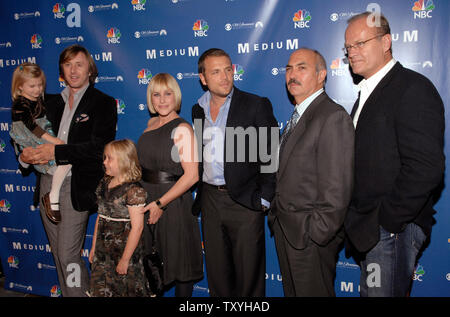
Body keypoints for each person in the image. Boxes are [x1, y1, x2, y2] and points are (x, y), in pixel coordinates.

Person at [343, 12, 445, 297]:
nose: (352, 52)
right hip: (371, 231)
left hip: (390, 232)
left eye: (360, 43)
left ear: (386, 42)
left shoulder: (412, 88)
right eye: (348, 47)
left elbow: (426, 167)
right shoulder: (367, 93)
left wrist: (385, 221)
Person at [20, 44, 118, 297]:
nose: (73, 70)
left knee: (68, 253)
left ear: (90, 70)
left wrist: (56, 152)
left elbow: (98, 148)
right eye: (68, 64)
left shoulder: (103, 103)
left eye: (79, 64)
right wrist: (24, 155)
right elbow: (26, 132)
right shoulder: (48, 101)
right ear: (61, 70)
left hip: (76, 187)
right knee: (58, 254)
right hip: (46, 183)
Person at [267, 48, 354, 296]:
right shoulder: (297, 116)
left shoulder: (332, 116)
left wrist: (315, 234)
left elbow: (337, 188)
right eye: (289, 69)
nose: (292, 75)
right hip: (287, 231)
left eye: (302, 68)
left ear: (321, 75)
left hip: (309, 238)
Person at [192, 48, 278, 297]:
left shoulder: (255, 104)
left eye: (228, 69)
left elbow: (271, 154)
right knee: (218, 278)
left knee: (249, 281)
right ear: (203, 78)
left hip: (245, 202)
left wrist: (263, 199)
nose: (225, 76)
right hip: (210, 200)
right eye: (216, 71)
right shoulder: (197, 110)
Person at [137, 73, 203, 297]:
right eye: (156, 94)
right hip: (148, 201)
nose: (162, 100)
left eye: (168, 94)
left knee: (179, 264)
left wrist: (160, 203)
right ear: (150, 98)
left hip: (172, 203)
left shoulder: (182, 128)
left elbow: (192, 175)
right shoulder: (150, 123)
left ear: (176, 97)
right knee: (153, 265)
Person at [9, 62, 71, 223]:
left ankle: (52, 195)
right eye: (32, 86)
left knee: (67, 161)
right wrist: (55, 141)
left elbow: (60, 99)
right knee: (61, 161)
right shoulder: (20, 105)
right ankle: (53, 196)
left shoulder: (41, 99)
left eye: (40, 85)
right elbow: (32, 129)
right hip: (32, 136)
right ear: (20, 87)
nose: (37, 90)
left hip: (42, 134)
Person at [88, 139, 150, 297]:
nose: (105, 162)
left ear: (124, 161)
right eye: (104, 157)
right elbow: (100, 217)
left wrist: (125, 260)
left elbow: (138, 227)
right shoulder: (104, 183)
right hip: (103, 251)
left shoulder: (134, 191)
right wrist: (94, 246)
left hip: (124, 251)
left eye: (109, 158)